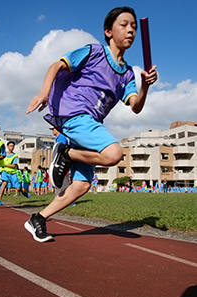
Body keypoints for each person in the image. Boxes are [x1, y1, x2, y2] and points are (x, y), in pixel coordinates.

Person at [24, 6, 157, 242]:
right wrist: (44, 93)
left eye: (134, 28)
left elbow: (135, 106)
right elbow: (56, 66)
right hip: (75, 114)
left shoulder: (127, 74)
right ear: (108, 31)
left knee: (81, 186)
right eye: (124, 25)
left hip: (90, 125)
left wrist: (145, 85)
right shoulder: (93, 52)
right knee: (114, 152)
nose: (131, 31)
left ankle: (38, 218)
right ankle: (68, 154)